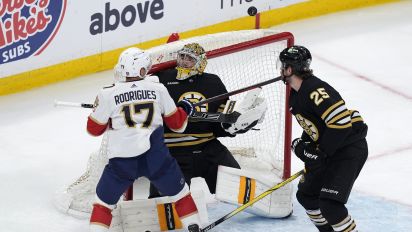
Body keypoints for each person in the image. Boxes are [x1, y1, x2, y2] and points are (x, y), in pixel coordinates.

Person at [87, 47, 202, 232]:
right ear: (142, 70)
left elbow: (93, 130)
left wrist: (103, 114)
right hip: (155, 158)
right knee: (181, 195)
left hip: (122, 162)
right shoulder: (158, 89)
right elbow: (178, 125)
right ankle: (195, 227)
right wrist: (185, 108)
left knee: (102, 204)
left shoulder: (107, 93)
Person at [149, 43, 266, 198]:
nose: (183, 61)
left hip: (208, 148)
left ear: (200, 63)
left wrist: (232, 127)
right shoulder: (161, 80)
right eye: (182, 56)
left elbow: (220, 123)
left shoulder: (213, 82)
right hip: (173, 152)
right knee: (164, 204)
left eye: (189, 58)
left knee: (241, 191)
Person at [279, 45, 368, 232]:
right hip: (332, 149)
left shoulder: (314, 90)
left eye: (283, 65)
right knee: (307, 196)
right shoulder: (295, 94)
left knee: (330, 206)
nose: (280, 69)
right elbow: (315, 127)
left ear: (289, 69)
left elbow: (341, 122)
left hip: (348, 149)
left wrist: (320, 153)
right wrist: (307, 148)